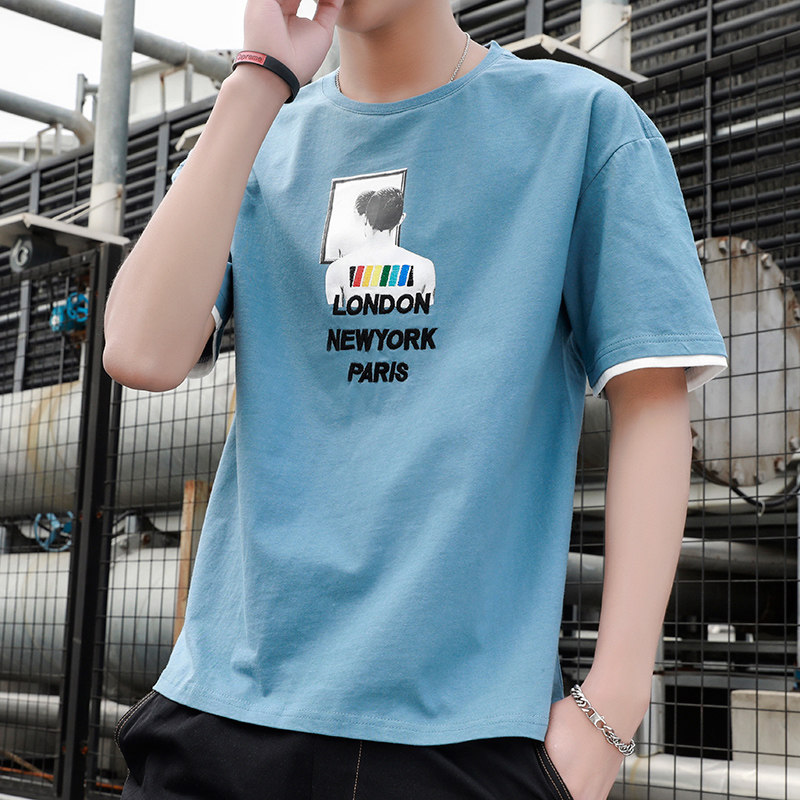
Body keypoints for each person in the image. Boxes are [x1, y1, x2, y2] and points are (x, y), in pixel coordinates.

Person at [102, 0, 729, 797]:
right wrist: (257, 82)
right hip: (223, 710)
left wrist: (611, 708)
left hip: (463, 732)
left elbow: (652, 401)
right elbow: (141, 352)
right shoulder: (257, 137)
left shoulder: (579, 124)